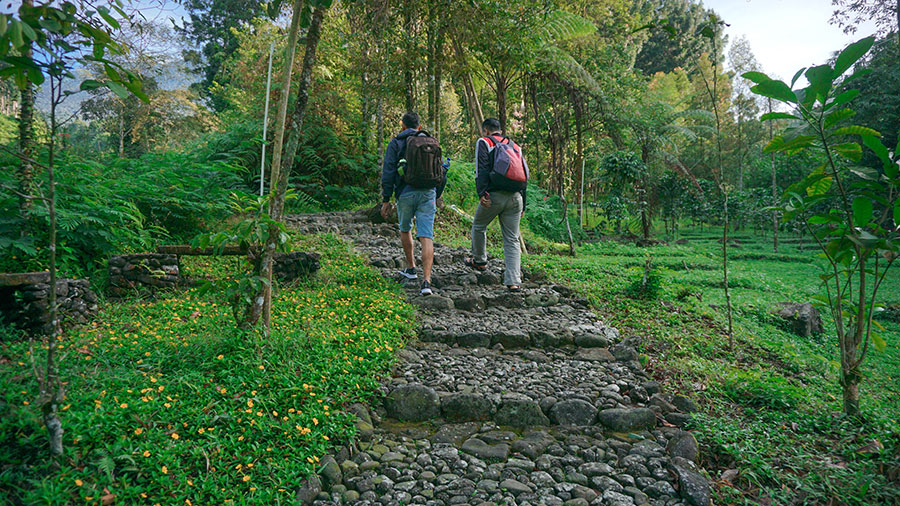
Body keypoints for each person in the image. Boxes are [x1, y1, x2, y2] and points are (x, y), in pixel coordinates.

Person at [380, 112, 445, 296]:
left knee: (405, 228)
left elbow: (389, 171)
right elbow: (441, 170)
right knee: (426, 236)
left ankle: (411, 268)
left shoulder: (396, 143)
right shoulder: (431, 142)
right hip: (428, 192)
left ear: (403, 126)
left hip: (405, 192)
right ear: (419, 126)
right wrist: (437, 194)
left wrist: (386, 199)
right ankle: (426, 281)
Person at [466, 118, 529, 292]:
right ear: (500, 130)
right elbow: (522, 173)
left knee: (479, 226)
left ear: (486, 130)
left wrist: (482, 193)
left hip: (494, 196)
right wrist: (524, 203)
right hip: (516, 197)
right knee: (512, 239)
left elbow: (482, 169)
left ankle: (479, 261)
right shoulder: (515, 146)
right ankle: (513, 281)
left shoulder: (484, 142)